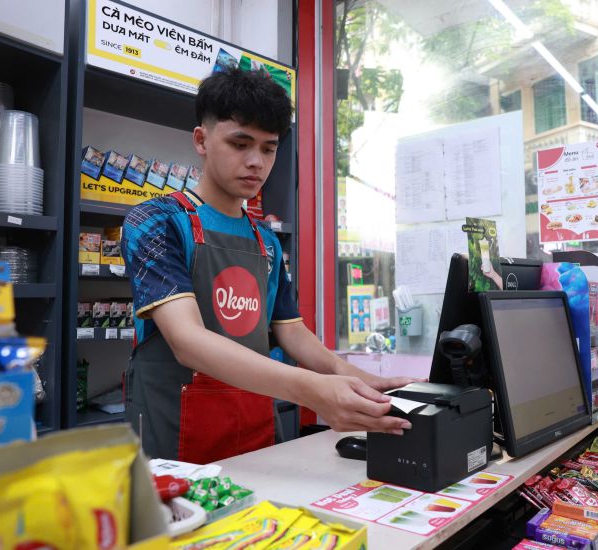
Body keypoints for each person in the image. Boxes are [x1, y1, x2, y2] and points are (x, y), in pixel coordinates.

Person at [122, 68, 415, 463]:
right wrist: (312, 389)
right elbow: (187, 341)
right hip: (173, 439)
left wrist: (365, 382)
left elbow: (292, 332)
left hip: (256, 431)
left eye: (268, 148)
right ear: (201, 140)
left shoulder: (267, 241)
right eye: (240, 144)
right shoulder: (155, 222)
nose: (255, 162)